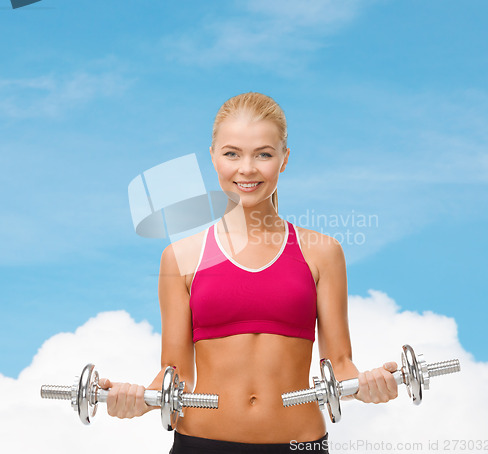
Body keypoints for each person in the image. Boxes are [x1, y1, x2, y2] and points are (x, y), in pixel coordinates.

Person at [99, 92, 399, 453]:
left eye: (264, 154)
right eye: (232, 153)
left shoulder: (323, 252)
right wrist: (135, 398)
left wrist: (370, 385)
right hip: (200, 443)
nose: (247, 169)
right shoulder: (180, 257)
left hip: (298, 445)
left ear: (284, 159)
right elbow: (175, 373)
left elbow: (339, 366)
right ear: (212, 157)